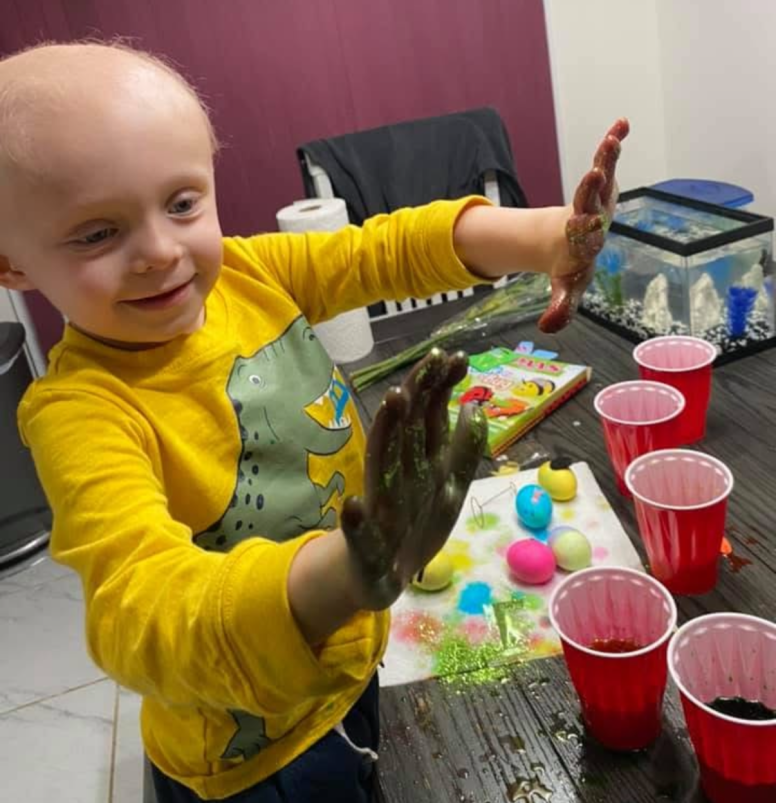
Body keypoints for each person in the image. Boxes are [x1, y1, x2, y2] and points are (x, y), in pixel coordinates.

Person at [0, 41, 628, 802]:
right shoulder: (80, 411)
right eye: (98, 233)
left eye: (182, 203)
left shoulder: (246, 275)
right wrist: (341, 572)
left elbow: (382, 252)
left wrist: (547, 238)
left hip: (347, 661)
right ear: (11, 264)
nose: (160, 252)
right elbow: (139, 614)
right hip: (252, 757)